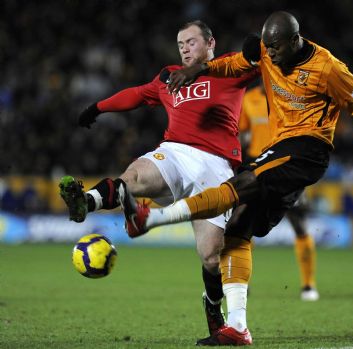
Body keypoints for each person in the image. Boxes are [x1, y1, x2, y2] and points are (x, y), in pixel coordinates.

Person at [120, 11, 353, 346]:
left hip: (307, 149)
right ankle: (238, 327)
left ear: (295, 40)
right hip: (279, 151)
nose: (271, 54)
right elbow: (235, 65)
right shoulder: (268, 55)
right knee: (238, 229)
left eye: (277, 48)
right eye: (267, 47)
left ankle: (153, 218)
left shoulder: (328, 68)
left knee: (241, 185)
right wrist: (199, 68)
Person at [58, 20, 258, 343]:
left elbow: (261, 57)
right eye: (181, 44)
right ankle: (87, 201)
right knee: (133, 177)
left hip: (217, 166)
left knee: (211, 255)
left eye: (191, 42)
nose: (184, 49)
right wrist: (98, 108)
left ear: (211, 44)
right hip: (175, 153)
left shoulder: (228, 69)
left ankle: (212, 304)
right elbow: (137, 94)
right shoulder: (169, 76)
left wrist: (257, 44)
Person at [239, 83, 319, 301]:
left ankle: (308, 285)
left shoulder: (291, 96)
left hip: (288, 167)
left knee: (299, 223)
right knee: (243, 224)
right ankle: (241, 284)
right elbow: (243, 133)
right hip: (258, 167)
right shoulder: (249, 98)